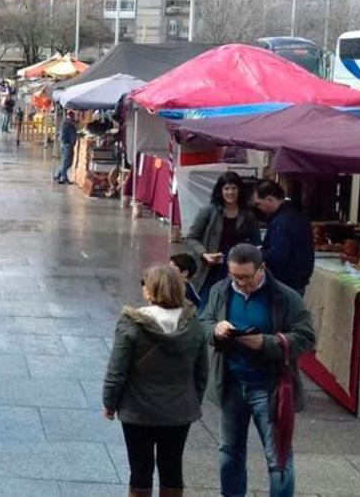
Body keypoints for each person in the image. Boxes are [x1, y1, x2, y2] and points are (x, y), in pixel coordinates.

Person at [202, 243, 315, 497]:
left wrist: (267, 343)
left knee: (278, 459)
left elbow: (306, 337)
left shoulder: (285, 297)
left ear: (261, 269)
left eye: (246, 277)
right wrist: (215, 330)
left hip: (269, 387)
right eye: (234, 276)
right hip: (231, 383)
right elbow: (204, 323)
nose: (240, 283)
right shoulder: (221, 291)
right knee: (229, 453)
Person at [103, 265, 208, 496]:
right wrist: (193, 400)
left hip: (138, 410)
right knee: (172, 468)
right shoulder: (193, 325)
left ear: (150, 292)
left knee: (140, 470)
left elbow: (117, 371)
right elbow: (201, 372)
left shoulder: (131, 324)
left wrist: (110, 403)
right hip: (179, 410)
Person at [184, 171, 262, 302]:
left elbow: (257, 243)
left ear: (239, 190)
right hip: (210, 270)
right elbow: (191, 238)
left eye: (234, 188)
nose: (230, 192)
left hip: (237, 270)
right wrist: (204, 254)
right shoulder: (208, 211)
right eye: (226, 188)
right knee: (205, 305)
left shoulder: (248, 215)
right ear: (220, 191)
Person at [255, 181, 315, 295]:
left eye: (259, 204)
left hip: (285, 282)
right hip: (297, 280)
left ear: (269, 200)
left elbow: (278, 256)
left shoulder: (281, 222)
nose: (259, 208)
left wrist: (258, 252)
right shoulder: (298, 213)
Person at [55, 111, 78, 184]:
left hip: (70, 144)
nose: (73, 118)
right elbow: (62, 134)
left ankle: (59, 174)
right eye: (72, 116)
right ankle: (64, 177)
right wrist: (66, 143)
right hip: (67, 145)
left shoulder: (70, 123)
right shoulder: (65, 123)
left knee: (68, 162)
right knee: (66, 161)